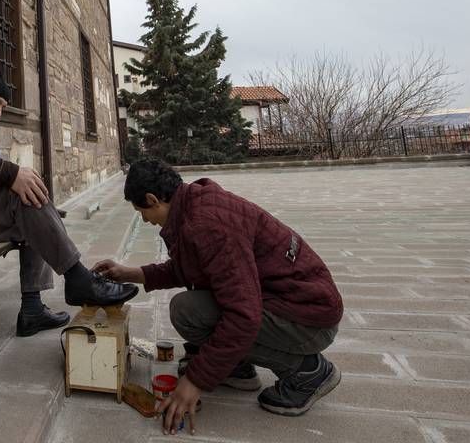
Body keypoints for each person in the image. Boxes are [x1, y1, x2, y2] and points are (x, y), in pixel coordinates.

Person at [94, 158, 343, 432]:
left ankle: (308, 371)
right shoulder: (193, 204)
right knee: (191, 309)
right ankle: (236, 367)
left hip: (307, 318)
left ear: (153, 199)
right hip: (288, 302)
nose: (145, 220)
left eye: (142, 211)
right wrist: (128, 273)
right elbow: (188, 268)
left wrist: (195, 382)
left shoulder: (207, 224)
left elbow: (243, 315)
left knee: (188, 312)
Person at [0, 67, 137, 336]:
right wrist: (11, 174)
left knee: (30, 200)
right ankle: (78, 279)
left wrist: (26, 188)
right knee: (22, 195)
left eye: (3, 106)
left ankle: (32, 309)